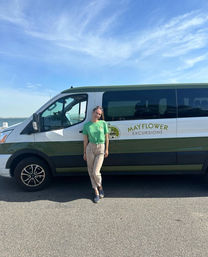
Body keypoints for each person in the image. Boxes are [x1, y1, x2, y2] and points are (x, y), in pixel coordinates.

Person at [82, 106, 109, 203]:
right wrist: (84, 152)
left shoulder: (103, 123)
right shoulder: (87, 125)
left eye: (99, 114)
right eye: (96, 113)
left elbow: (107, 137)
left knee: (96, 172)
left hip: (101, 148)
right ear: (92, 112)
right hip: (90, 148)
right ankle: (96, 191)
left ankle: (100, 186)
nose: (98, 115)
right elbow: (85, 140)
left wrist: (106, 149)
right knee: (90, 170)